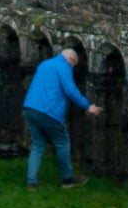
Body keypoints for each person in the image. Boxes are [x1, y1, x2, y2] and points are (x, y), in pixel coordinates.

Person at [22, 47, 101, 190]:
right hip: (48, 111)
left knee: (38, 145)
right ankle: (67, 179)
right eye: (73, 65)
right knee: (62, 142)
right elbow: (70, 90)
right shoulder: (63, 66)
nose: (72, 68)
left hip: (29, 108)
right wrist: (87, 106)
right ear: (71, 60)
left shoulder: (45, 64)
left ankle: (31, 182)